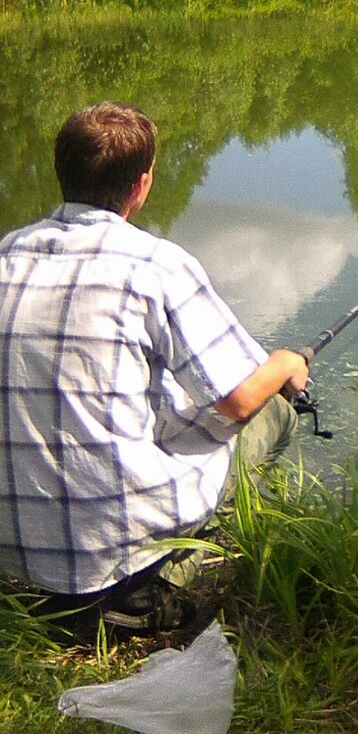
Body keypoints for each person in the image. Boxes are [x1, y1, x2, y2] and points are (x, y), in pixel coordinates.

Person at [0, 102, 310, 632]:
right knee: (271, 412)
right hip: (104, 578)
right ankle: (170, 575)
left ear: (60, 173)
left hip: (14, 566)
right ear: (141, 186)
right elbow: (236, 399)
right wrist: (284, 363)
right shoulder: (155, 264)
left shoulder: (7, 253)